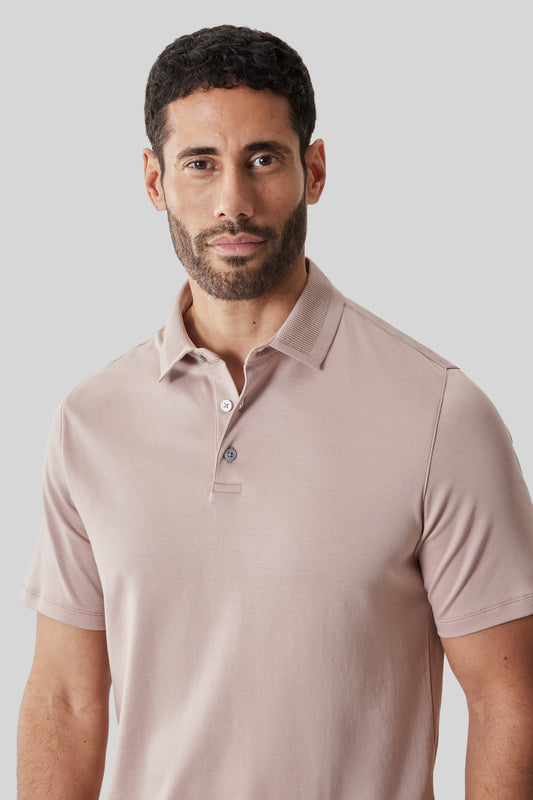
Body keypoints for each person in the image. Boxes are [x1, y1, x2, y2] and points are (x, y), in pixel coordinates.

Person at [17, 24, 533, 800]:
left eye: (262, 159)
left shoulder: (439, 413)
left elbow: (506, 704)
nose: (232, 202)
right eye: (200, 163)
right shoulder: (90, 422)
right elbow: (65, 699)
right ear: (154, 181)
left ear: (312, 170)